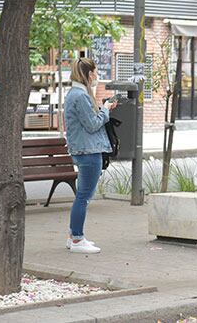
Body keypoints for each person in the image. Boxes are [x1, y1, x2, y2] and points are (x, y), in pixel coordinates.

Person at [64, 58, 118, 254]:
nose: (97, 76)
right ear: (88, 74)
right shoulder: (80, 96)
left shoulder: (76, 94)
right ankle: (77, 239)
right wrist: (105, 110)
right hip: (88, 151)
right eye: (95, 72)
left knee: (82, 195)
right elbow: (93, 124)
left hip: (84, 149)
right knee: (84, 196)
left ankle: (74, 236)